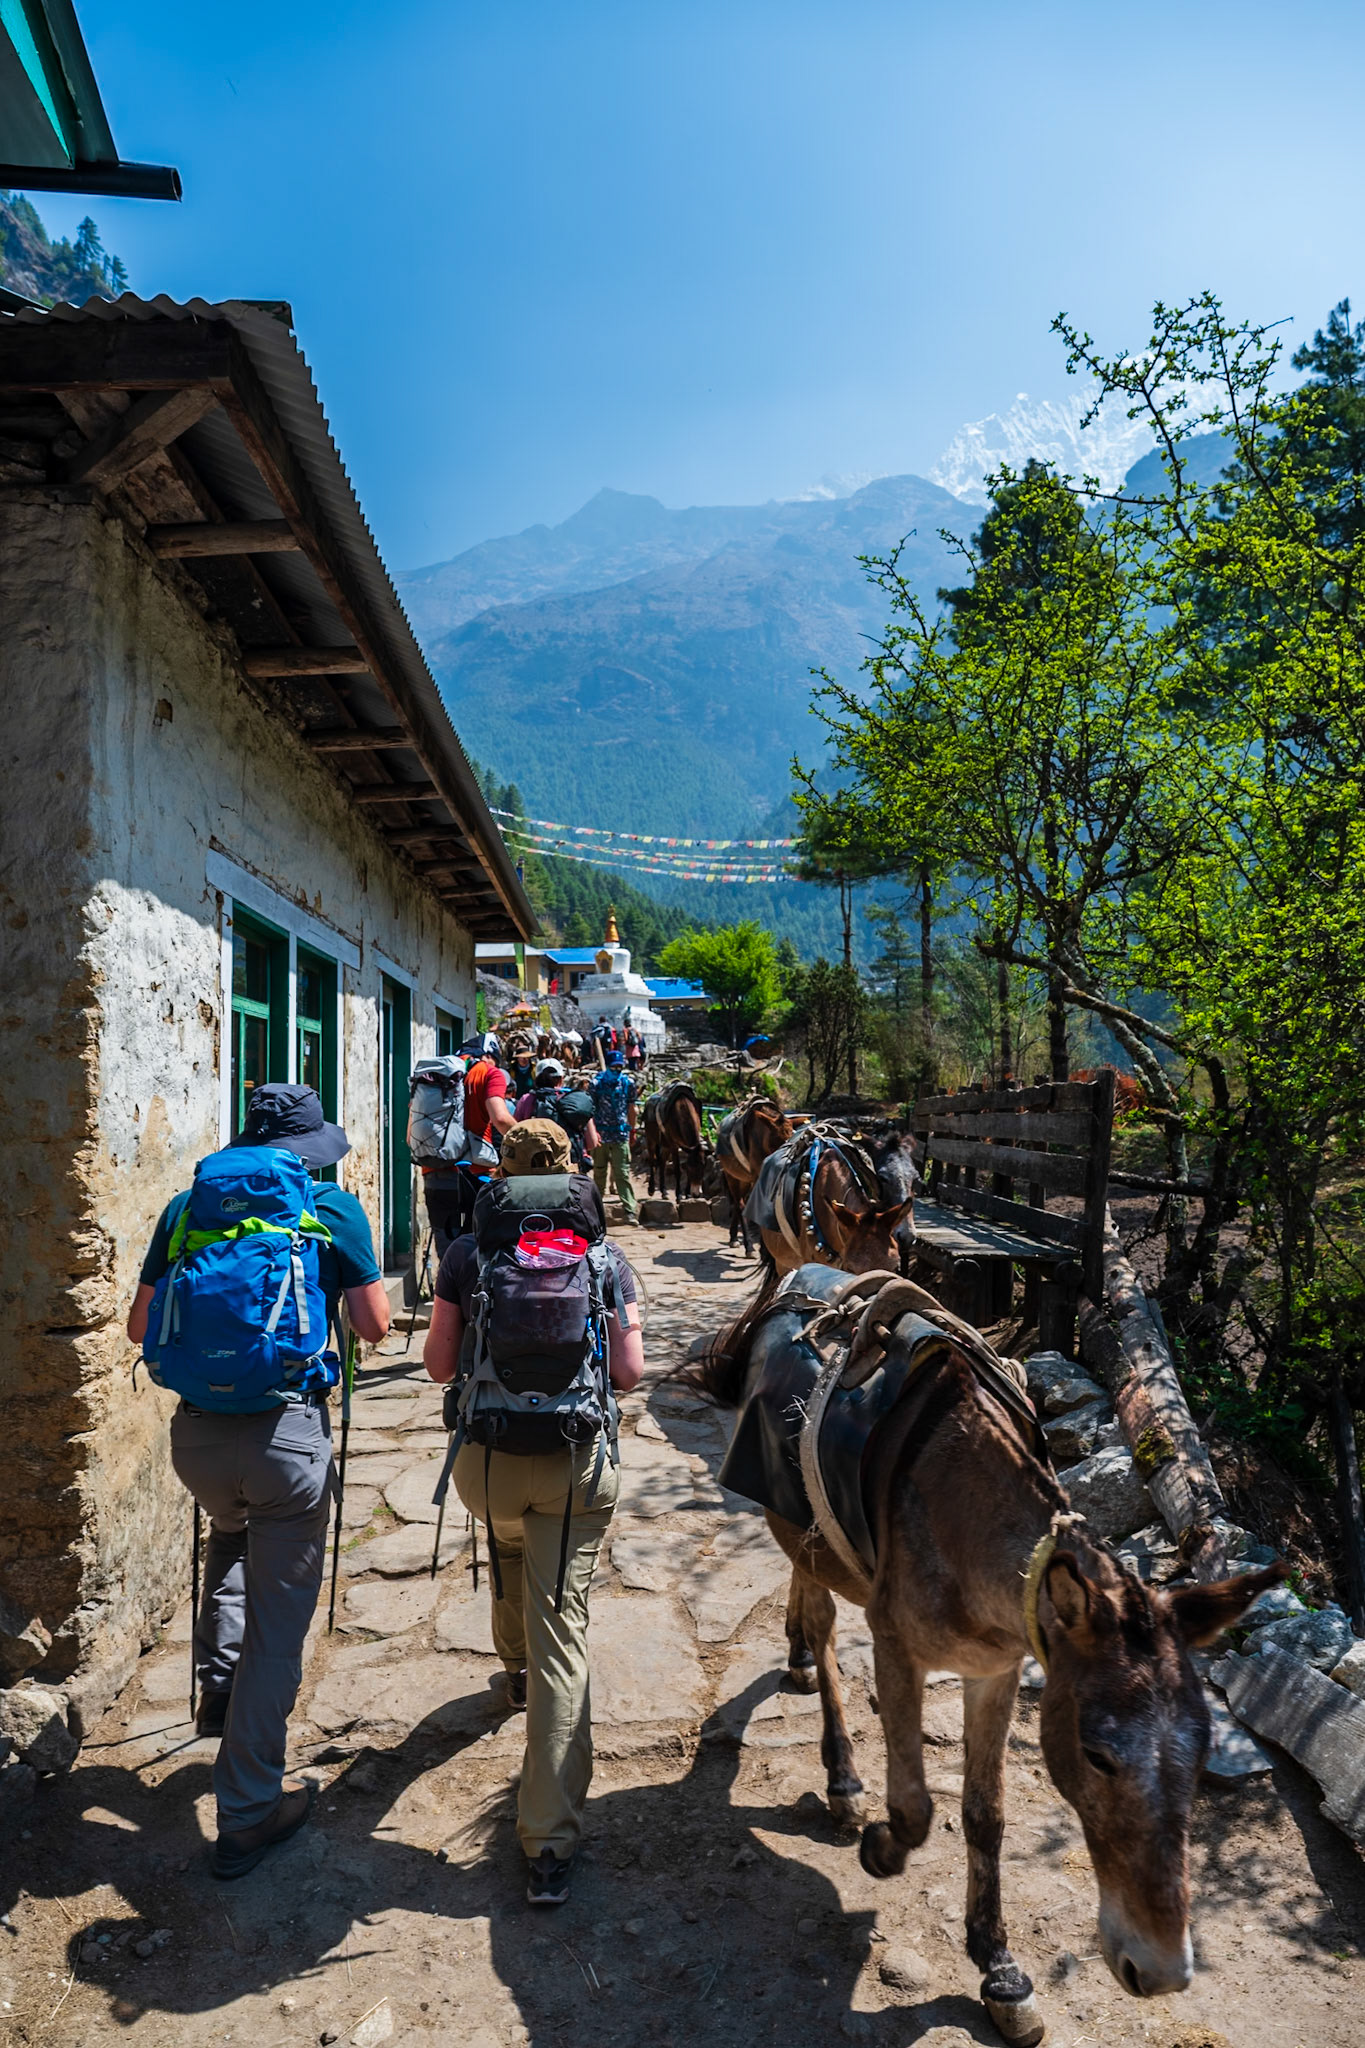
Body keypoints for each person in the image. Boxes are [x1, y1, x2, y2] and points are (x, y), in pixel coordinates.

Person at [126, 1083, 390, 1880]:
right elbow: (375, 1324)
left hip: (198, 1439)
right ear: (311, 1149)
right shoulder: (328, 1208)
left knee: (229, 1534)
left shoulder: (184, 1209)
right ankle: (247, 1811)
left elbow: (140, 1327)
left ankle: (216, 1690)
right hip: (287, 1438)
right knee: (280, 1623)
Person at [424, 1119, 643, 1906]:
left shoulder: (465, 1255)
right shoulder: (604, 1258)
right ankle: (547, 1843)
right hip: (573, 1465)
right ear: (572, 1171)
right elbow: (628, 1371)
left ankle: (509, 1667)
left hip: (485, 1465)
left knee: (507, 1543)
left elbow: (439, 1365)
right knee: (565, 1631)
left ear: (501, 1175)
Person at [456, 1032, 515, 1230]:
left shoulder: (440, 1073)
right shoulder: (489, 1072)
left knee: (447, 1243)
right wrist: (529, 1136)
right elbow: (500, 1118)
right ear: (488, 1055)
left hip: (436, 1169)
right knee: (482, 1238)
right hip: (477, 1171)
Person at [514, 1057, 599, 1170]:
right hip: (570, 1167)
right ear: (562, 1079)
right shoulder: (576, 1100)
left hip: (536, 1167)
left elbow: (514, 1135)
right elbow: (592, 1142)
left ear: (536, 1078)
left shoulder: (526, 1100)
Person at [590, 1049, 639, 1224]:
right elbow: (590, 1110)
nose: (617, 1070)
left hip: (620, 1134)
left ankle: (630, 1210)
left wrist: (632, 1130)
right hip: (601, 1134)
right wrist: (592, 1132)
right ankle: (595, 1210)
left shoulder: (627, 1083)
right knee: (599, 1172)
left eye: (620, 1067)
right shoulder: (596, 1084)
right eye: (614, 1067)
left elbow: (632, 1108)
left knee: (622, 1173)